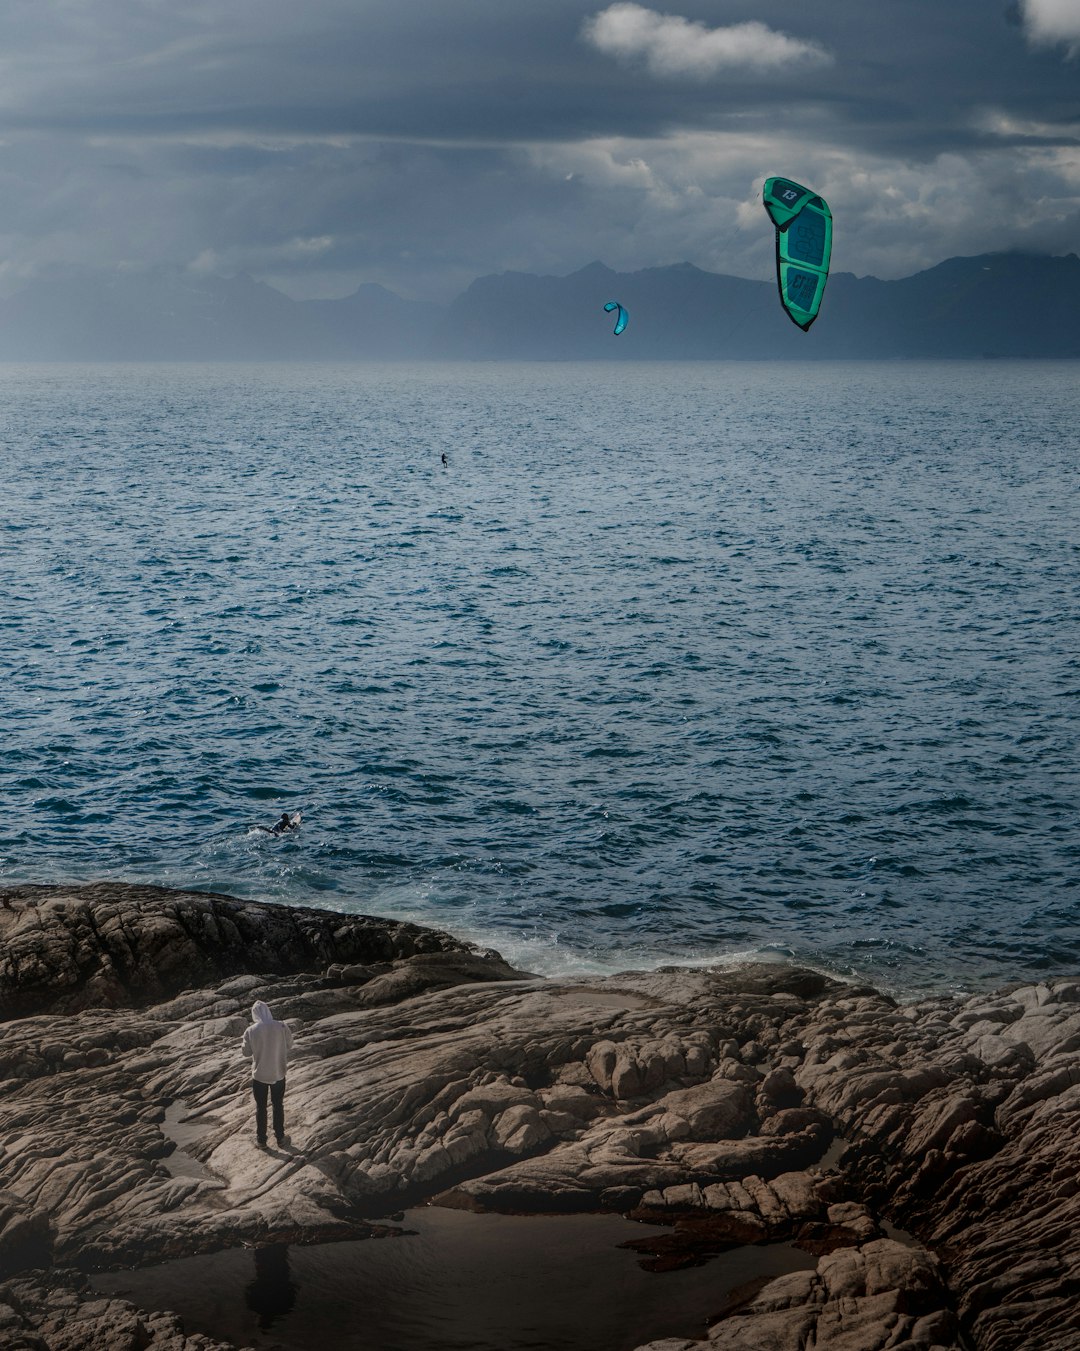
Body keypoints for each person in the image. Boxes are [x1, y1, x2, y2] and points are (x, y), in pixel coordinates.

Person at [241, 1000, 293, 1148]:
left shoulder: (251, 1030)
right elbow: (290, 1044)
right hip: (278, 1072)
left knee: (261, 1107)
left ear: (254, 1014)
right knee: (278, 1105)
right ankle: (280, 1138)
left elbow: (245, 1053)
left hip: (260, 1076)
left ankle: (262, 1140)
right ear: (268, 1010)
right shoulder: (281, 1025)